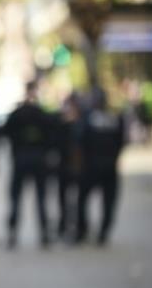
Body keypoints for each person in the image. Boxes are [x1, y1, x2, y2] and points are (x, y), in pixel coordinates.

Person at [2, 81, 54, 248]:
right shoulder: (42, 114)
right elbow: (52, 136)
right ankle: (44, 234)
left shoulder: (17, 113)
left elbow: (4, 133)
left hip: (21, 159)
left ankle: (12, 233)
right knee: (40, 198)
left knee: (17, 198)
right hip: (38, 159)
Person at [75, 87, 125, 245]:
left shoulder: (88, 119)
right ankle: (102, 233)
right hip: (109, 166)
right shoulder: (115, 118)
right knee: (108, 202)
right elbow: (121, 141)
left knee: (83, 199)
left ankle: (83, 230)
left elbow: (79, 140)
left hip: (91, 166)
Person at [53, 92, 84, 239]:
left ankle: (78, 227)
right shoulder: (61, 124)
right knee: (63, 197)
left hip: (78, 167)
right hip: (64, 167)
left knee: (78, 199)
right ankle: (63, 224)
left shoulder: (82, 124)